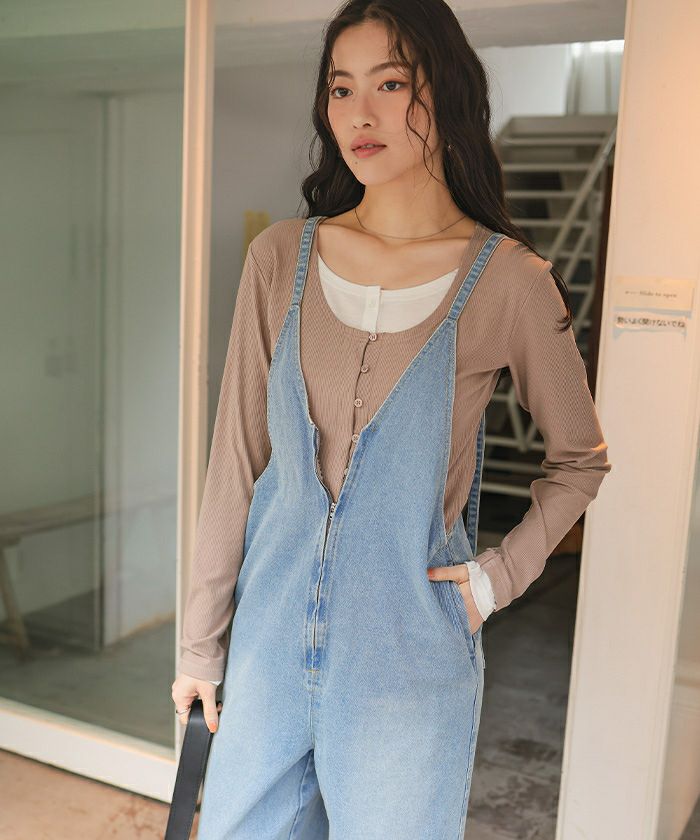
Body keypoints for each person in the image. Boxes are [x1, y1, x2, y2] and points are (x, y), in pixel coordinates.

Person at [171, 0, 612, 836]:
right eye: (342, 88)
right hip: (265, 653)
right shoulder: (280, 260)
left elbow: (580, 458)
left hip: (406, 663)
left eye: (391, 83)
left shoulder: (510, 282)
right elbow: (235, 461)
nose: (359, 114)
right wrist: (201, 643)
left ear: (446, 92)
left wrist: (497, 579)